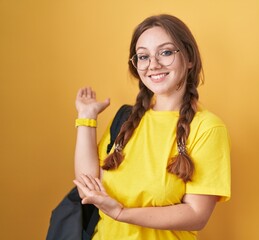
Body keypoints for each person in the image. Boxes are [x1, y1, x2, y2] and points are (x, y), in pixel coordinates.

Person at [73, 14, 231, 239]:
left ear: (189, 59)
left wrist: (121, 213)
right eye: (143, 56)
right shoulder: (126, 120)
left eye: (165, 52)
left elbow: (196, 214)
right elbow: (86, 189)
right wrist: (86, 118)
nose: (153, 65)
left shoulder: (207, 128)